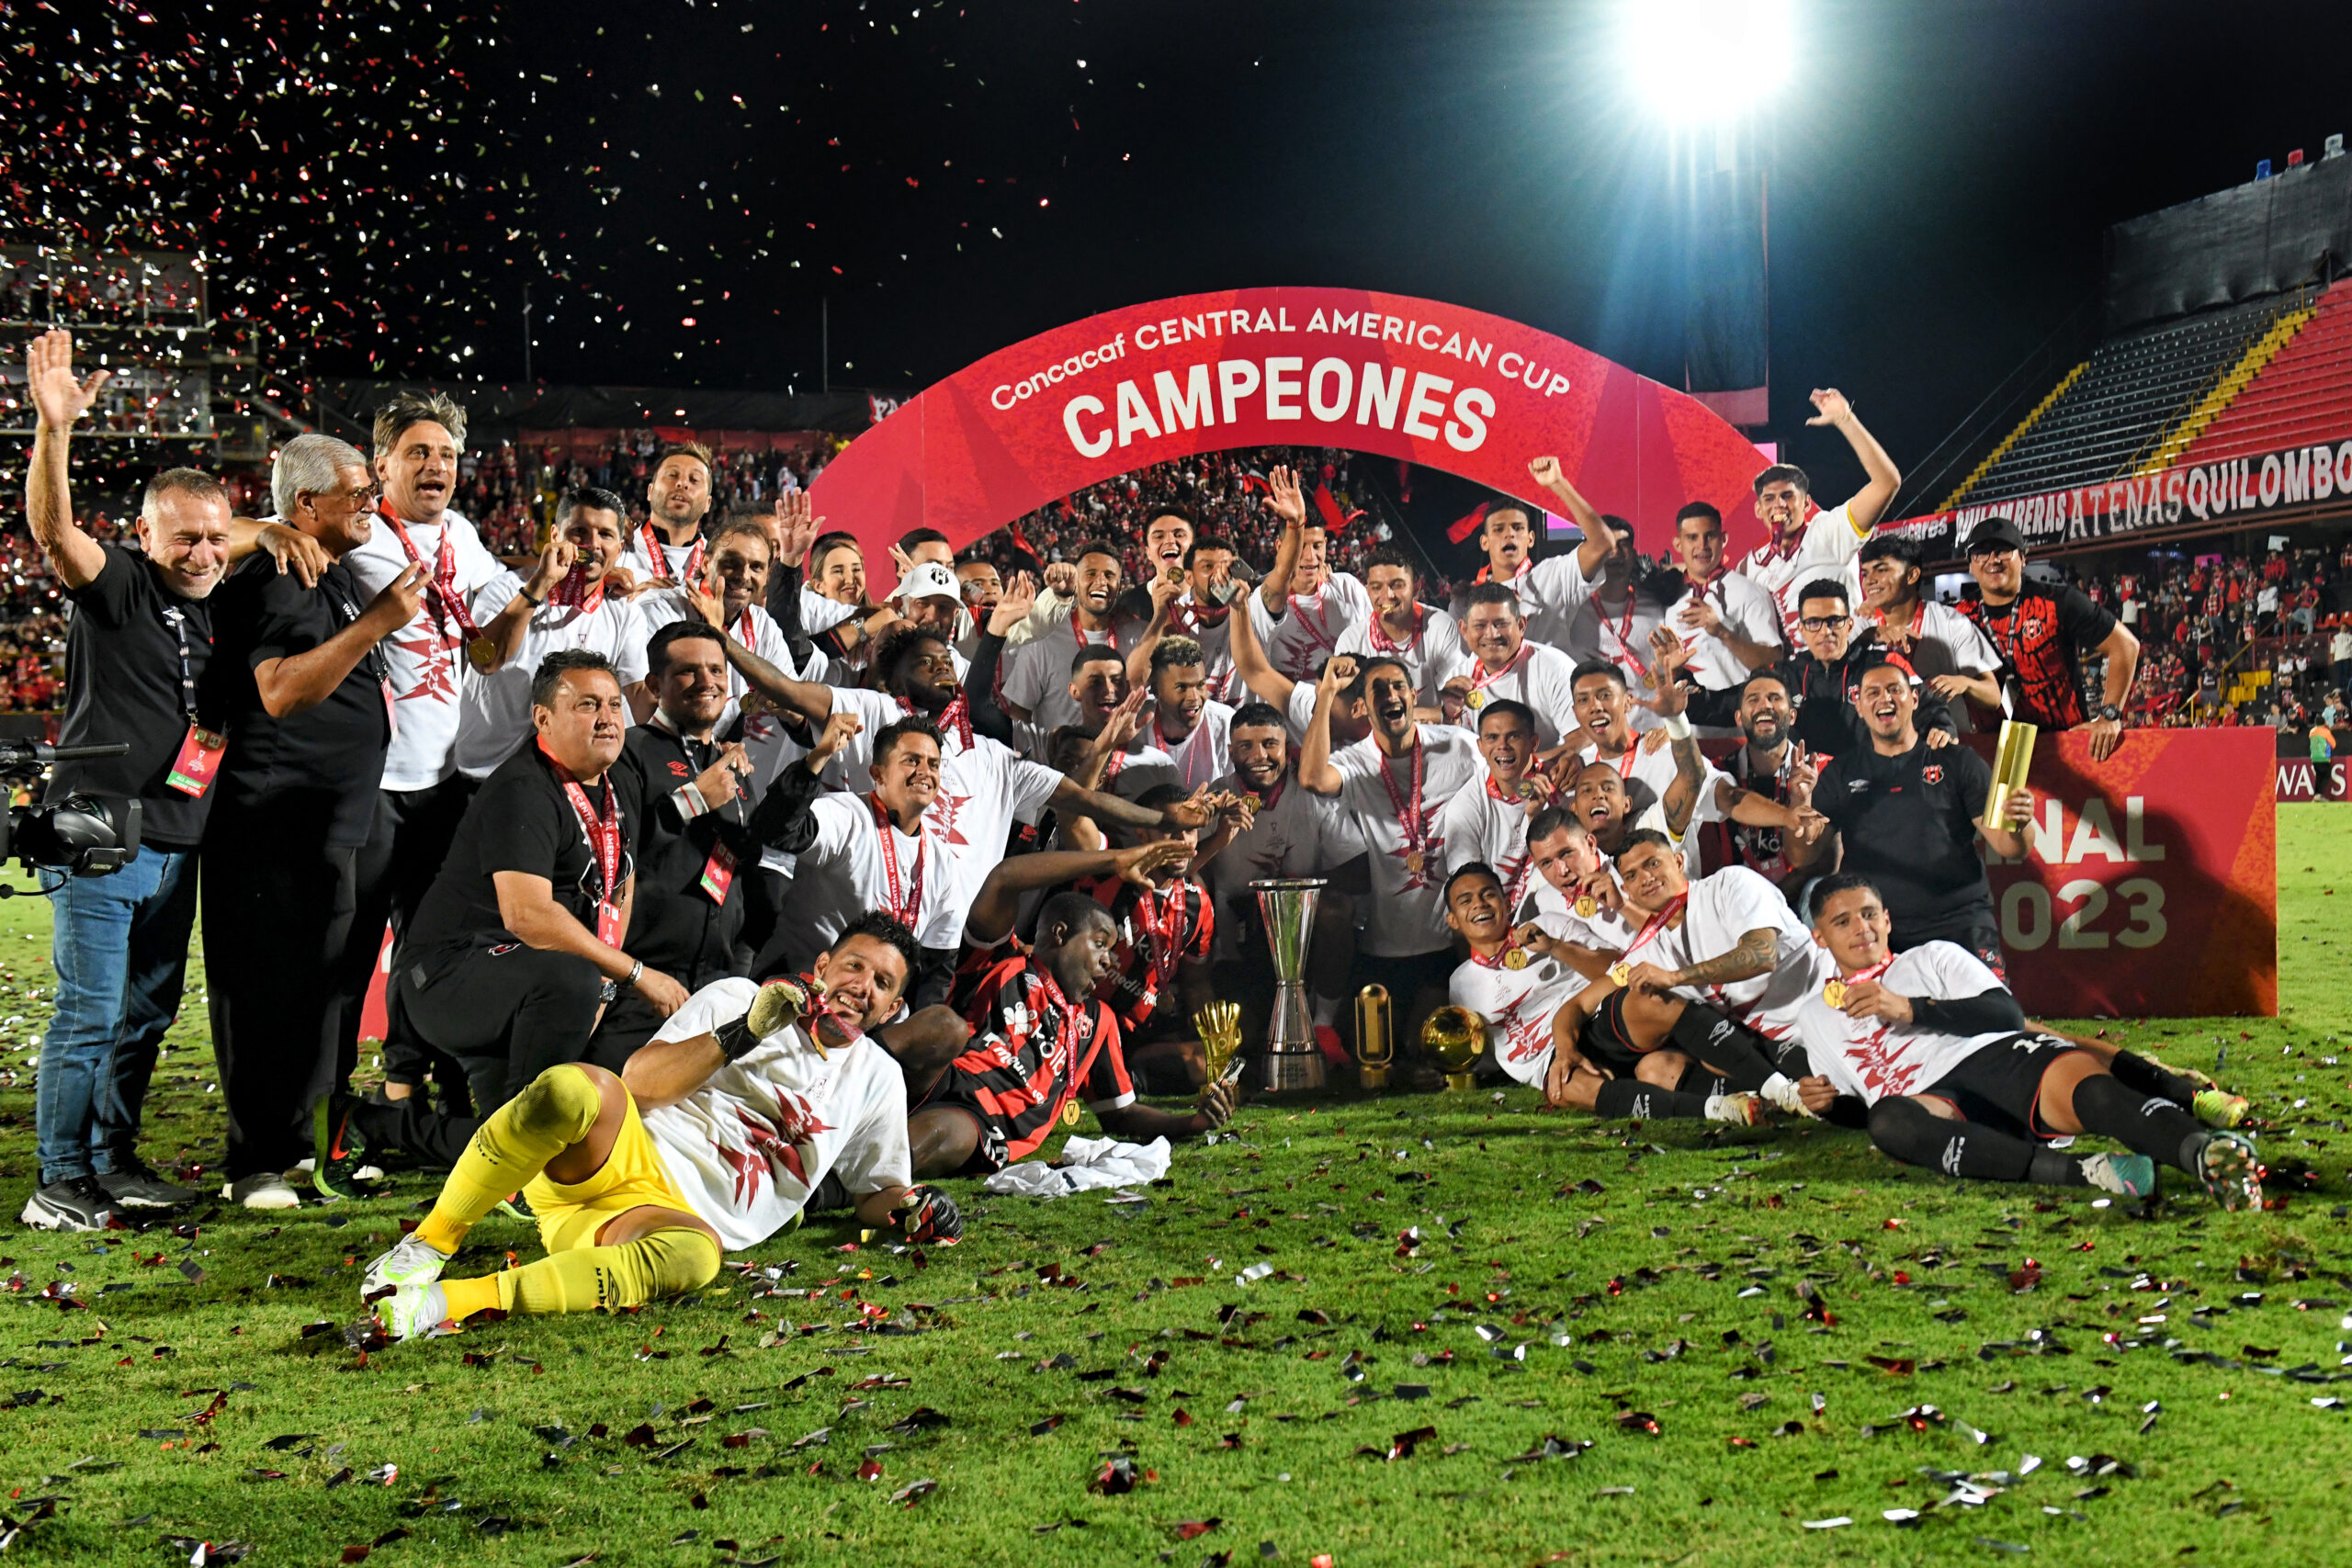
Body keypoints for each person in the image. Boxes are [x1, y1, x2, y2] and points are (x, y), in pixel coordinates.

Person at [16, 332, 328, 1227]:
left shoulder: (218, 602)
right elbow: (53, 531)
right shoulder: (118, 587)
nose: (199, 552)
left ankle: (110, 1162)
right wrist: (54, 430)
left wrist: (262, 531)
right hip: (104, 840)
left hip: (180, 844)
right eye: (181, 537)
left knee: (144, 1019)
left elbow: (247, 549)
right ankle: (56, 1179)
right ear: (144, 535)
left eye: (212, 537)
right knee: (89, 1014)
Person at [366, 918, 959, 1340]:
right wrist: (744, 1031)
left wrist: (911, 1209)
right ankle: (425, 1248)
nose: (863, 986)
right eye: (855, 965)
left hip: (651, 1225)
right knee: (573, 1087)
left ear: (892, 1009)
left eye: (883, 983)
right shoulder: (739, 994)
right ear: (823, 966)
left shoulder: (877, 1076)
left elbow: (875, 1192)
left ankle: (443, 1305)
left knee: (695, 1258)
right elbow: (640, 1082)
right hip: (612, 1157)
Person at [334, 651, 683, 1174]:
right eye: (588, 705)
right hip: (451, 976)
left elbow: (621, 877)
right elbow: (528, 916)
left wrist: (612, 982)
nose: (609, 717)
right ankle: (525, 1142)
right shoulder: (524, 787)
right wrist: (630, 972)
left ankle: (372, 1125)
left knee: (543, 1138)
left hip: (526, 979)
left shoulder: (617, 780)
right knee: (572, 983)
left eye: (614, 703)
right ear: (543, 719)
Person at [202, 439, 427, 1208]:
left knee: (323, 993)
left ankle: (307, 1145)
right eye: (358, 491)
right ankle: (256, 1160)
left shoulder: (319, 569)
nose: (373, 502)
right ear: (306, 505)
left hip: (324, 822)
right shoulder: (282, 574)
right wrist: (377, 623)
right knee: (267, 993)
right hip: (274, 825)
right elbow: (279, 691)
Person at [1792, 874, 2261, 1207]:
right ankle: (2091, 1173)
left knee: (2094, 1093)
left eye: (1870, 914)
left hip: (1992, 1058)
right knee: (1888, 1121)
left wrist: (1911, 1008)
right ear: (1819, 938)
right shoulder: (1815, 1015)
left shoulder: (1931, 957)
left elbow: (2006, 1013)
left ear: (1888, 920)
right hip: (1937, 1103)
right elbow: (1858, 1106)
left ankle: (2205, 1152)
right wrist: (1830, 1106)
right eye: (1844, 922)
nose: (1862, 928)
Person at [343, 391, 508, 1111]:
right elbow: (261, 527)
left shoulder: (464, 537)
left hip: (446, 782)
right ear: (381, 466)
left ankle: (412, 1083)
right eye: (418, 452)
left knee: (431, 949)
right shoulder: (356, 531)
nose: (435, 465)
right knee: (350, 951)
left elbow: (507, 604)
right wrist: (267, 533)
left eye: (446, 454)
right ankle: (327, 1101)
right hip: (374, 782)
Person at [908, 892, 1238, 1177]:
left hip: (982, 1121)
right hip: (940, 1076)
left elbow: (1121, 1114)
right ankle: (859, 1085)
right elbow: (1004, 879)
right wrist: (1117, 859)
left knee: (941, 1133)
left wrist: (1191, 1123)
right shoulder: (1006, 961)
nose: (1109, 961)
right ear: (1060, 934)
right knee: (941, 1026)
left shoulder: (1098, 1022)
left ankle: (863, 1176)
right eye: (1099, 944)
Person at [1301, 653, 1483, 1054]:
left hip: (1444, 944)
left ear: (1415, 695)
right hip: (1380, 948)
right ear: (1363, 708)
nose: (1391, 695)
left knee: (1422, 1049)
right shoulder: (1356, 761)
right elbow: (1313, 778)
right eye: (1377, 689)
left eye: (1398, 685)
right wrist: (1327, 693)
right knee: (1373, 1054)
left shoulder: (1460, 748)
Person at [1810, 660, 2032, 975]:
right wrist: (1799, 805)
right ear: (1858, 706)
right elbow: (1803, 853)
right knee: (1880, 1021)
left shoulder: (1958, 760)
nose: (1884, 699)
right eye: (1872, 692)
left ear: (1914, 700)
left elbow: (2011, 847)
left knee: (1994, 1019)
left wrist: (2019, 824)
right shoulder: (1839, 773)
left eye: (1894, 690)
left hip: (1960, 923)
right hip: (1878, 932)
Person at [453, 487, 649, 782]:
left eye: (605, 535)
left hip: (566, 781)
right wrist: (540, 583)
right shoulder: (505, 590)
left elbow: (638, 696)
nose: (592, 544)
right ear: (555, 535)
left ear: (619, 548)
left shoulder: (625, 612)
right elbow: (484, 660)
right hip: (486, 773)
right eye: (579, 531)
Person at [1200, 700, 1358, 1055]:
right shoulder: (1215, 797)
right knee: (1248, 1042)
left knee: (1337, 909)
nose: (1260, 755)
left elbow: (1357, 868)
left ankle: (1325, 1024)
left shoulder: (1312, 795)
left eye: (1270, 744)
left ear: (1287, 748)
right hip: (1237, 940)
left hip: (1305, 933)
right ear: (1230, 751)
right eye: (1246, 746)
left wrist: (1291, 896)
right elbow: (1187, 870)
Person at [1686, 578, 1959, 755]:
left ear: (1849, 625)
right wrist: (1680, 682)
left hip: (1876, 789)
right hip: (1808, 795)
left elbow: (1930, 706)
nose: (1825, 631)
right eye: (1814, 623)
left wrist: (1942, 729)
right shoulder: (1783, 676)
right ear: (1802, 630)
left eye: (1834, 621)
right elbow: (1720, 705)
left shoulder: (1883, 665)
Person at [1957, 517, 2141, 761]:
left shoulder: (2058, 601)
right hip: (1995, 753)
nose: (1993, 560)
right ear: (1971, 565)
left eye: (2003, 550)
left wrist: (2109, 715)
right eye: (1981, 553)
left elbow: (2125, 645)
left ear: (2023, 558)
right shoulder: (1957, 618)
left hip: (2065, 748)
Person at [1733, 388, 1903, 635]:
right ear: (1759, 509)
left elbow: (1886, 483)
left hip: (1845, 664)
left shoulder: (1828, 532)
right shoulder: (1750, 565)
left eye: (1788, 496)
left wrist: (1846, 420)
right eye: (1769, 499)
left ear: (1806, 503)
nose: (1778, 504)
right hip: (1792, 672)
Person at [1441, 863, 1606, 1090]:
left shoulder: (1548, 925)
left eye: (1488, 895)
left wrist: (1555, 947)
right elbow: (1487, 1052)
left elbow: (1617, 970)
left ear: (1507, 904)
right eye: (1466, 901)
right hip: (1547, 1060)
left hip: (1597, 1025)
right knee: (1572, 1087)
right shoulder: (1459, 983)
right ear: (1453, 921)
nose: (1479, 904)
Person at [1855, 533, 2000, 727]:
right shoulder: (1858, 628)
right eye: (1865, 573)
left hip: (1945, 746)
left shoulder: (1950, 622)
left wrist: (1965, 683)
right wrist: (1867, 638)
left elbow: (1993, 696)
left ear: (1912, 575)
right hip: (1883, 750)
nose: (1869, 580)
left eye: (1881, 570)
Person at [1464, 468, 1614, 654]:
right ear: (1484, 542)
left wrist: (1558, 483)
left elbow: (1602, 544)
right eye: (1499, 529)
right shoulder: (1470, 598)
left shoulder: (1553, 575)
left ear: (1531, 539)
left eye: (1517, 528)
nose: (1509, 534)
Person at [1250, 467, 1369, 681]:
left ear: (1325, 545)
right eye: (1300, 546)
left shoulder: (1348, 588)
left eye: (1316, 546)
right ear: (1279, 546)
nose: (1310, 556)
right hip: (1282, 710)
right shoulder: (1259, 595)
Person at [1711, 672, 1823, 897]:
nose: (1765, 705)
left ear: (1792, 716)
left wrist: (1802, 798)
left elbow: (1810, 860)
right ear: (1739, 718)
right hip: (1738, 896)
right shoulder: (1717, 771)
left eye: (1774, 698)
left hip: (1800, 895)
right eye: (1753, 700)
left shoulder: (1822, 770)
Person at [1001, 539, 1128, 735]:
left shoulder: (1135, 635)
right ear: (1076, 582)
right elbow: (1020, 713)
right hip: (1057, 763)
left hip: (1118, 762)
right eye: (1091, 573)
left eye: (1109, 575)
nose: (1101, 581)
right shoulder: (1043, 639)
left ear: (1120, 586)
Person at [1434, 698, 1548, 913]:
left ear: (1533, 743)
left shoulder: (1561, 784)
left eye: (1513, 736)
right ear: (1481, 746)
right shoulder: (1466, 805)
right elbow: (1467, 886)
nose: (1502, 746)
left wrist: (1536, 820)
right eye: (1492, 738)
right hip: (1497, 919)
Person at [1658, 502, 1785, 693]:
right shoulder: (1667, 596)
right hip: (1687, 719)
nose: (1702, 546)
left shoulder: (1749, 592)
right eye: (1692, 538)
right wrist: (1672, 669)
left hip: (1733, 717)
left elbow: (1774, 661)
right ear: (1678, 544)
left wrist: (1722, 632)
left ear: (1724, 539)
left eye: (1710, 536)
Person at [1442, 583, 1580, 746]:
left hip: (1547, 769)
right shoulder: (1457, 679)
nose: (1492, 634)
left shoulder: (1555, 668)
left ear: (1521, 625)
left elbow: (1581, 741)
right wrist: (1449, 715)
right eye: (1480, 625)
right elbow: (1455, 751)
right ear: (1464, 630)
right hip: (1486, 771)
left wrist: (1530, 768)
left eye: (1501, 624)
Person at [1337, 547, 1464, 711]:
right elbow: (1349, 712)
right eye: (1376, 587)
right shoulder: (1351, 640)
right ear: (1367, 590)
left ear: (1416, 588)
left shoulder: (1441, 627)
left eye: (1397, 585)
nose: (1387, 595)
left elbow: (1455, 706)